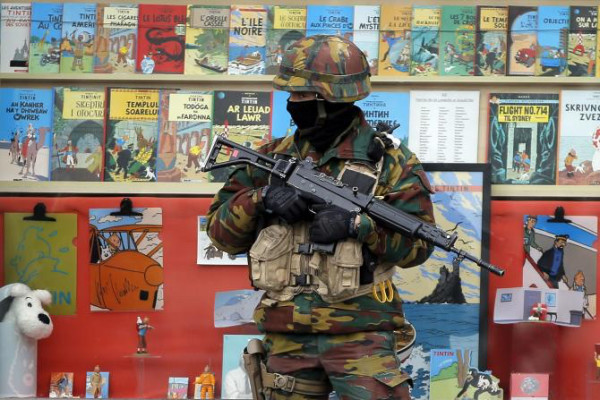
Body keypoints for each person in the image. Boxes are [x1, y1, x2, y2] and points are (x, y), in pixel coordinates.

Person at [206, 35, 435, 399]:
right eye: (291, 96)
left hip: (361, 335)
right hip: (286, 335)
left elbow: (418, 247)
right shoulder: (269, 157)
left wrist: (359, 226)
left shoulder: (390, 162)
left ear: (333, 99)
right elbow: (220, 235)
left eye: (301, 97)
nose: (292, 104)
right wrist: (260, 199)